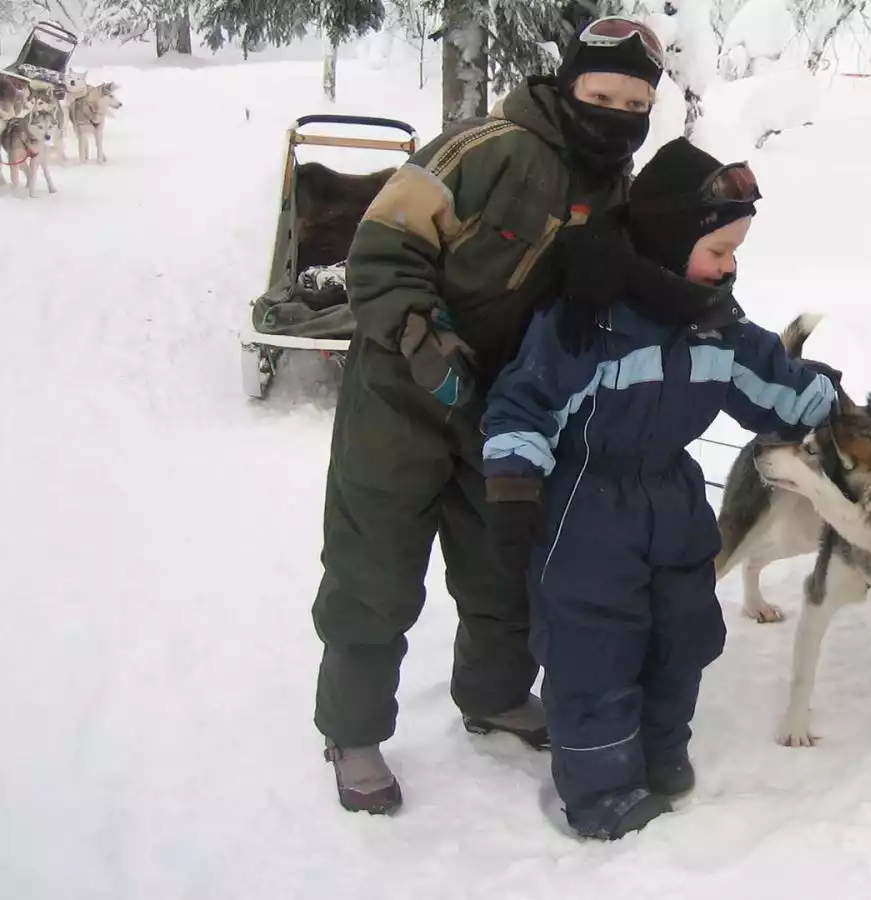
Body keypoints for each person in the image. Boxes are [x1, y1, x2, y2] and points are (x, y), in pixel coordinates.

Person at [312, 16, 668, 815]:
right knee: (374, 571)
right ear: (568, 84)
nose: (615, 112)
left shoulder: (615, 191)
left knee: (503, 566)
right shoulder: (484, 146)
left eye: (634, 101)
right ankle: (354, 729)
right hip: (402, 395)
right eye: (600, 93)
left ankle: (495, 696)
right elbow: (383, 245)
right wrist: (424, 344)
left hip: (503, 409)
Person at [480, 137, 840, 840]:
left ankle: (661, 753)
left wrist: (836, 406)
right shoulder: (592, 319)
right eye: (719, 250)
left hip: (672, 498)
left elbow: (775, 386)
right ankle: (601, 789)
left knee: (682, 633)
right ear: (673, 239)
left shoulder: (717, 325)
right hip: (586, 506)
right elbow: (524, 401)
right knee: (595, 649)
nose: (730, 265)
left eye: (737, 250)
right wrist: (513, 485)